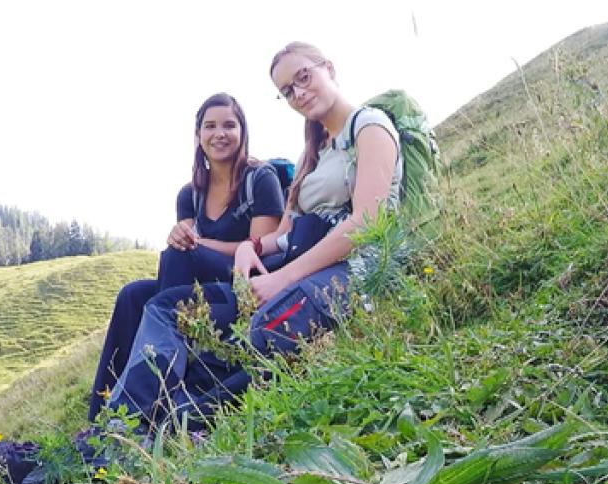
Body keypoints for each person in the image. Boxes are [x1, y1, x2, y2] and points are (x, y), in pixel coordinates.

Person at [104, 40, 402, 430]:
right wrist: (251, 245)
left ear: (328, 68)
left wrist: (283, 277)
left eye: (304, 77)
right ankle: (112, 425)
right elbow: (286, 234)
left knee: (257, 332)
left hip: (349, 271)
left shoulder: (369, 127)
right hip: (297, 267)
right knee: (164, 306)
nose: (298, 93)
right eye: (288, 90)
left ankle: (160, 423)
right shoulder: (312, 151)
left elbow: (366, 222)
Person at [86, 92, 284, 421]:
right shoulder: (190, 194)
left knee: (180, 257)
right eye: (210, 126)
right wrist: (182, 236)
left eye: (229, 125)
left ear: (242, 131)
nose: (219, 134)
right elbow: (188, 247)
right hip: (196, 285)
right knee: (132, 295)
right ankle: (101, 415)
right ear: (198, 135)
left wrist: (199, 243)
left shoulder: (260, 179)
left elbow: (262, 248)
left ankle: (161, 386)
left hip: (240, 285)